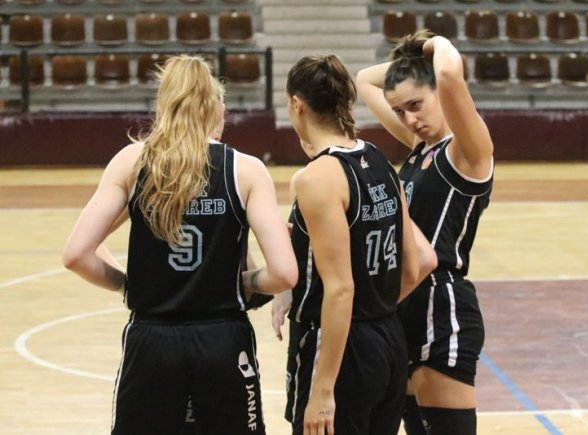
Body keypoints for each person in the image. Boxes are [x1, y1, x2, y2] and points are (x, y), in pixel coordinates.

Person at [62, 55, 298, 435]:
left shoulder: (133, 162)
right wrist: (247, 282)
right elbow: (285, 273)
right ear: (217, 109)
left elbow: (76, 254)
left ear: (163, 106)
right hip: (222, 340)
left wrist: (127, 285)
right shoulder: (245, 169)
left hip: (151, 340)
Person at [279, 54, 437, 435]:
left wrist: (322, 389)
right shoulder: (379, 160)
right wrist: (374, 310)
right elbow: (418, 263)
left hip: (339, 349)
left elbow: (340, 289)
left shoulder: (318, 178)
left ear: (297, 104)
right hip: (388, 342)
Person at [356, 31, 494, 435]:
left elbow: (449, 74)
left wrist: (433, 48)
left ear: (440, 95)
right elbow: (364, 79)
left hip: (441, 303)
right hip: (402, 302)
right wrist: (411, 64)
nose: (409, 119)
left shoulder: (468, 151)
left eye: (416, 105)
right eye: (399, 112)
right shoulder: (419, 145)